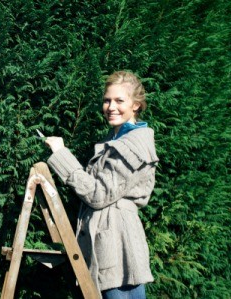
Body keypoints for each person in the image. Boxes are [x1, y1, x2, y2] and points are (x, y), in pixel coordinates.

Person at [44, 71, 159, 299]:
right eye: (107, 100)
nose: (111, 107)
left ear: (136, 105)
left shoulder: (132, 145)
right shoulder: (116, 140)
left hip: (117, 245)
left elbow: (98, 194)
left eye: (119, 101)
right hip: (112, 241)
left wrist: (61, 154)